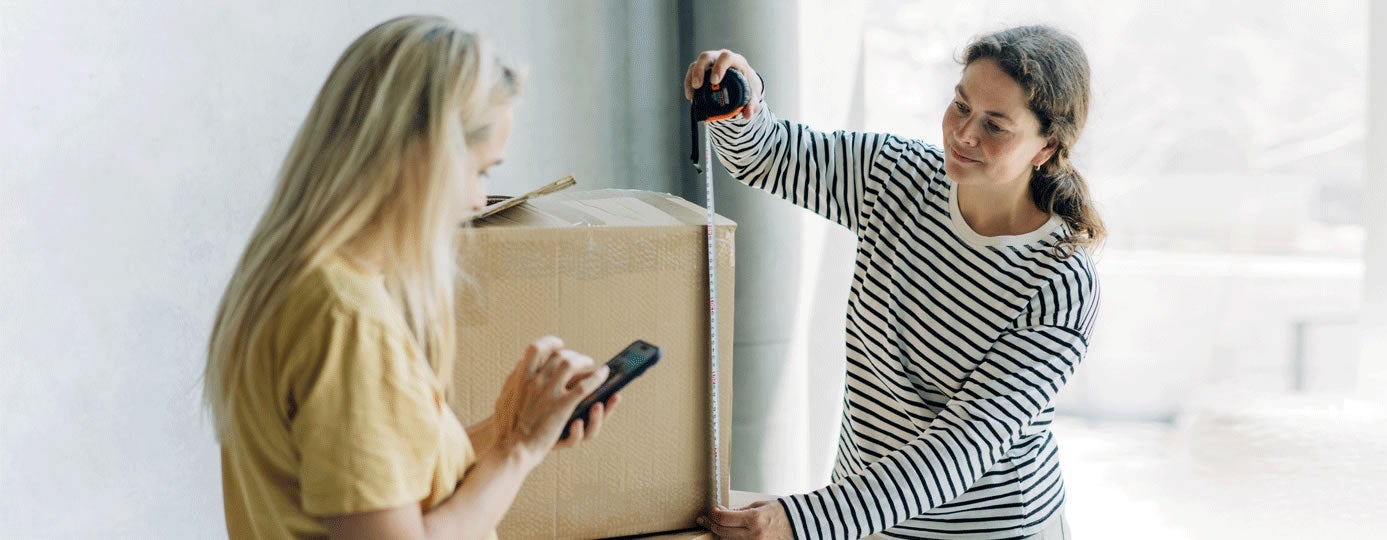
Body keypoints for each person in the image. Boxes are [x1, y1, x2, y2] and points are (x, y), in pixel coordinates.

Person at [203, 15, 620, 539]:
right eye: (481, 170)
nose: (477, 200)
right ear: (421, 155)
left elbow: (388, 492)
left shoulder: (296, 283)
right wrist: (518, 452)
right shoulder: (346, 320)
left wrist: (515, 426)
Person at [686, 25, 1100, 540]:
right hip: (864, 515)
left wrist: (803, 521)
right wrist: (742, 98)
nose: (964, 133)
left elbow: (962, 446)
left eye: (996, 126)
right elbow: (769, 155)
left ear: (1046, 147)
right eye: (961, 104)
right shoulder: (895, 177)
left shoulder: (1059, 281)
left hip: (988, 531)